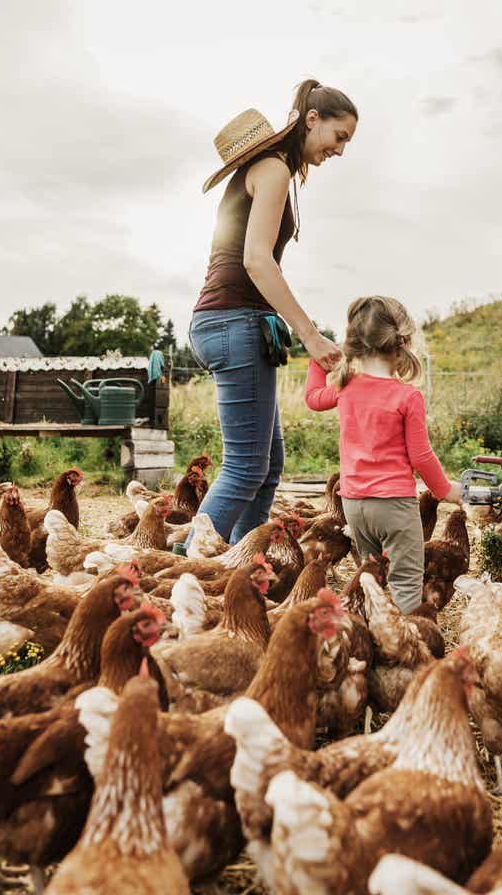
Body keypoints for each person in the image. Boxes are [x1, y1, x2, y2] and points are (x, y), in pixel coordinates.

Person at [188, 79, 357, 542]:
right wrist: (311, 335)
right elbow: (257, 261)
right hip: (233, 321)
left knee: (266, 466)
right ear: (312, 120)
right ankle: (187, 570)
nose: (341, 151)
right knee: (245, 467)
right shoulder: (275, 170)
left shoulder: (272, 171)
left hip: (231, 321)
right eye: (339, 137)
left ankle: (243, 565)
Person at [304, 295, 461, 615]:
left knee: (370, 580)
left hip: (355, 504)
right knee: (405, 581)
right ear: (403, 341)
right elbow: (421, 456)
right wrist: (445, 490)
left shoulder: (346, 387)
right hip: (395, 506)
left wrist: (315, 360)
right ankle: (403, 649)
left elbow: (312, 398)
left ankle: (370, 639)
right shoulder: (407, 396)